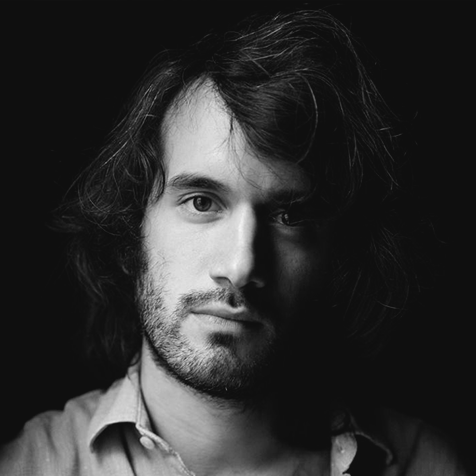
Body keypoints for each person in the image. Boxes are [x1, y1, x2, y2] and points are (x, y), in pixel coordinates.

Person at [0, 8, 469, 476]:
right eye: (202, 202)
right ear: (131, 228)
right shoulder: (28, 466)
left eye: (290, 216)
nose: (241, 267)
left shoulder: (428, 466)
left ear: (338, 254)